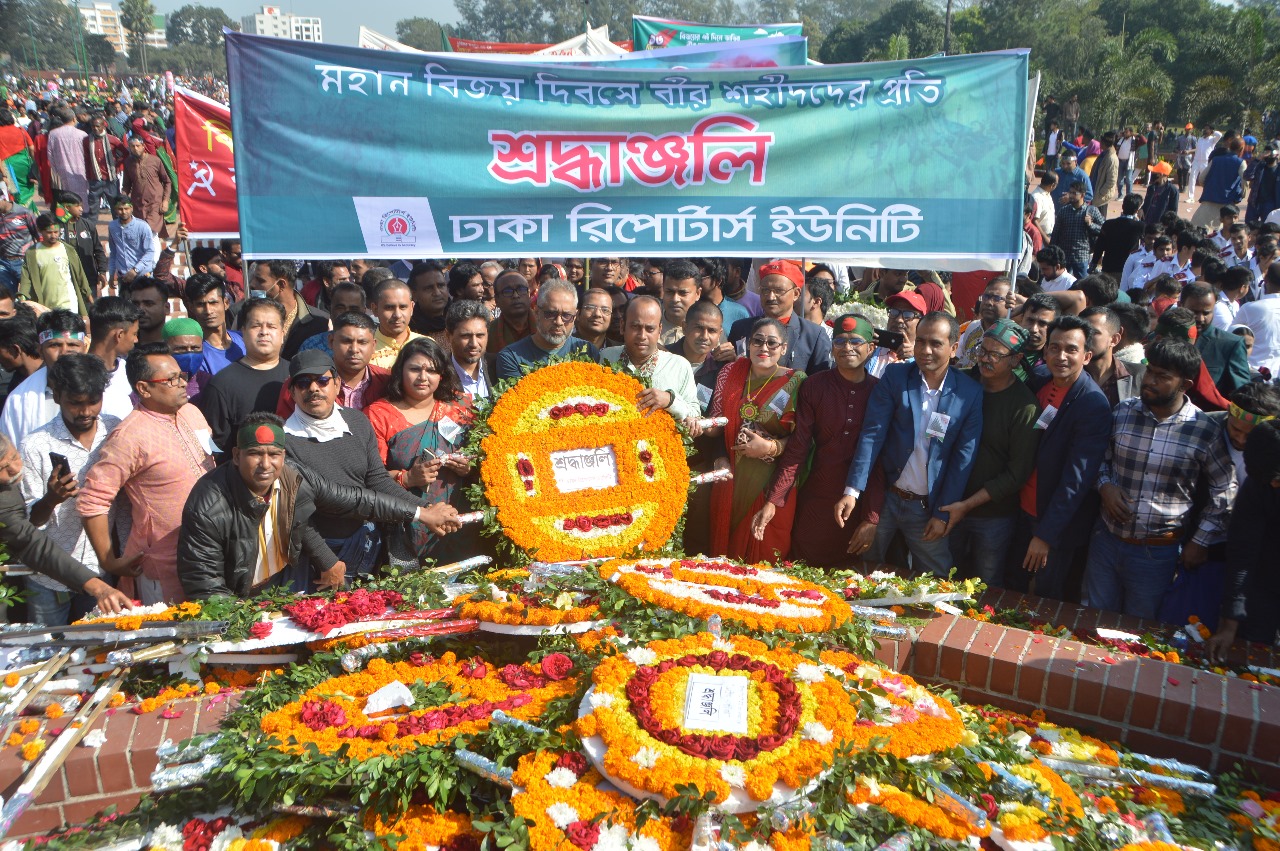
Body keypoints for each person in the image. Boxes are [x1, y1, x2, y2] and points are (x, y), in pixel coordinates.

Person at [178, 413, 460, 598]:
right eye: (255, 454)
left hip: (285, 579)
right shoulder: (208, 504)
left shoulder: (291, 473)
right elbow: (205, 585)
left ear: (284, 455)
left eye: (273, 454)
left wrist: (422, 513)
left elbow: (355, 500)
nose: (266, 465)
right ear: (237, 456)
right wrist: (241, 624)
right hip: (240, 594)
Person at [1086, 338, 1236, 618]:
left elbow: (1225, 491)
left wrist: (1200, 542)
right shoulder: (1123, 412)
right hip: (1106, 541)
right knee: (1093, 618)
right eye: (1150, 370)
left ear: (1185, 385)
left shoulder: (1203, 429)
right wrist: (1105, 486)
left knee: (1140, 630)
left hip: (1157, 553)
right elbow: (1099, 459)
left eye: (1162, 376)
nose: (1149, 380)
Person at [836, 313, 982, 577]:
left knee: (937, 579)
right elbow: (872, 433)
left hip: (927, 507)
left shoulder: (968, 393)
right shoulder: (896, 376)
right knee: (863, 570)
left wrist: (943, 512)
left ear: (953, 346)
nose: (926, 350)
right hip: (886, 498)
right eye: (921, 341)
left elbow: (964, 458)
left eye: (936, 343)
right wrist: (853, 490)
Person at [79, 343, 217, 603]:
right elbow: (92, 500)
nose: (182, 384)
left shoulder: (192, 412)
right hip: (164, 565)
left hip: (210, 555)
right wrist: (109, 560)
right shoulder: (130, 435)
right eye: (172, 379)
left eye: (181, 376)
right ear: (143, 388)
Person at [278, 351, 423, 579]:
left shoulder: (357, 422)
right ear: (292, 393)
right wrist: (326, 562)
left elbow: (377, 480)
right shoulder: (284, 441)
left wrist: (424, 508)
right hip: (315, 558)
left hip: (364, 544)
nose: (314, 388)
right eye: (304, 383)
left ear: (337, 385)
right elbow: (296, 515)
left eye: (322, 380)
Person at [754, 314, 882, 567]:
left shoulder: (880, 391)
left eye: (856, 342)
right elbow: (798, 449)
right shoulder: (815, 386)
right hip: (817, 496)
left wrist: (872, 517)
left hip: (863, 500)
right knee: (805, 569)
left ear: (871, 348)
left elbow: (880, 459)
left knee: (852, 577)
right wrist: (774, 500)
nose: (847, 348)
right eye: (840, 341)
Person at [1006, 316, 1111, 601]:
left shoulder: (1092, 404)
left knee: (1044, 599)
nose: (1061, 356)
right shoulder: (1040, 381)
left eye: (1071, 350)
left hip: (1053, 525)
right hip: (1022, 509)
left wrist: (1045, 535)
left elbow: (1077, 480)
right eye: (1054, 348)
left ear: (1087, 356)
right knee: (1011, 590)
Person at [17, 354, 121, 624]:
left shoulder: (116, 430)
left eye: (92, 402)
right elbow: (28, 525)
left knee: (97, 654)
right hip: (49, 580)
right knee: (49, 655)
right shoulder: (35, 445)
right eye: (76, 404)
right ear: (58, 395)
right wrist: (51, 499)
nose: (85, 412)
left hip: (101, 571)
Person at [940, 319, 1040, 584]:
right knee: (943, 578)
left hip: (993, 516)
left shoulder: (1024, 407)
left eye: (995, 355)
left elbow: (1016, 473)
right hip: (949, 502)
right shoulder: (963, 383)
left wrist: (968, 505)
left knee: (986, 584)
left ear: (1016, 360)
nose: (985, 359)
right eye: (982, 351)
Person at [364, 338, 476, 563]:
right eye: (415, 369)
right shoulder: (379, 415)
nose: (423, 377)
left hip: (458, 521)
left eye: (432, 370)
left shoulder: (459, 407)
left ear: (442, 375)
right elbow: (368, 479)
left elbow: (483, 459)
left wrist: (469, 467)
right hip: (403, 526)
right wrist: (407, 478)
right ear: (400, 372)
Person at [704, 317, 806, 561]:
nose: (764, 348)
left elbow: (803, 441)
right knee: (725, 556)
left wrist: (770, 447)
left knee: (764, 558)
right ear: (748, 345)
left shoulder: (796, 382)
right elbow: (716, 424)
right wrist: (711, 445)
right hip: (732, 477)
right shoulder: (731, 372)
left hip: (771, 483)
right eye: (758, 341)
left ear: (784, 348)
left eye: (772, 343)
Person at [0, 431, 131, 615]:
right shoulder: (5, 496)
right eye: (3, 468)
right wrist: (98, 588)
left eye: (14, 457)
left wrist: (99, 587)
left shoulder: (6, 491)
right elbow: (30, 543)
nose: (15, 468)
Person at [199, 299, 291, 453]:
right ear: (243, 332)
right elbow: (217, 449)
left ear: (282, 334)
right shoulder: (222, 384)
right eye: (256, 326)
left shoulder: (297, 377)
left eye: (271, 326)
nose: (264, 332)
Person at [601, 296, 700, 423]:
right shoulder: (606, 357)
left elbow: (695, 415)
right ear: (622, 326)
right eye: (635, 327)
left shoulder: (679, 366)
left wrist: (670, 401)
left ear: (659, 330)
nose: (642, 336)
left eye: (650, 329)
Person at [726, 260, 832, 375]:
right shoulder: (741, 328)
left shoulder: (813, 335)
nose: (771, 297)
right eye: (765, 290)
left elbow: (820, 382)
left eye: (779, 291)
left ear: (796, 294)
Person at [279, 311, 390, 418]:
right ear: (331, 342)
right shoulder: (301, 384)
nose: (354, 349)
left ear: (374, 345)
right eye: (346, 341)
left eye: (362, 342)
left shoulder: (388, 382)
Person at [1, 310, 87, 446]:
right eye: (55, 345)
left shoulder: (108, 391)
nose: (64, 352)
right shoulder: (18, 400)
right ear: (40, 350)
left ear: (84, 348)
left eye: (72, 345)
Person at [495, 279, 599, 380]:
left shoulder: (587, 351)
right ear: (537, 312)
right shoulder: (511, 357)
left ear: (575, 316)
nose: (558, 322)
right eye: (550, 314)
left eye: (566, 315)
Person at [1179, 283, 1252, 399]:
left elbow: (1242, 393)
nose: (1200, 318)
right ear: (1180, 306)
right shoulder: (1166, 338)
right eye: (1194, 312)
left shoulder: (1230, 344)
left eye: (1206, 312)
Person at [251, 259, 329, 360]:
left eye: (260, 281)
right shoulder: (244, 315)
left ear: (281, 284)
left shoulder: (319, 321)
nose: (252, 284)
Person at [19, 213, 94, 316]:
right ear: (40, 231)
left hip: (69, 303)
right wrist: (23, 295)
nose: (53, 235)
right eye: (49, 232)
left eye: (56, 232)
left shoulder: (68, 250)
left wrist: (89, 295)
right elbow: (26, 279)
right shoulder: (32, 253)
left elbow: (80, 275)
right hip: (45, 306)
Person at [86, 296, 141, 419]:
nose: (136, 340)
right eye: (134, 334)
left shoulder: (131, 372)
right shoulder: (76, 374)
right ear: (119, 335)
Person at [1081, 306, 1146, 408]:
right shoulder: (1069, 375)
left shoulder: (1139, 376)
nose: (1085, 338)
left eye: (1094, 332)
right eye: (1082, 332)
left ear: (1114, 339)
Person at [183, 274, 244, 375]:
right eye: (200, 304)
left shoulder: (244, 339)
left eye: (213, 303)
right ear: (191, 307)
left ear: (226, 303)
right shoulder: (194, 355)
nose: (208, 311)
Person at [297, 283, 368, 356]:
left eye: (353, 309)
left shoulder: (376, 346)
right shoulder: (311, 346)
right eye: (340, 308)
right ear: (330, 309)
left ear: (364, 311)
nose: (346, 313)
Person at [866, 290, 925, 378]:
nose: (899, 320)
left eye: (908, 315)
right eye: (894, 312)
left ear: (921, 322)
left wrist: (915, 358)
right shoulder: (872, 349)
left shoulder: (925, 357)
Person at [121, 135, 170, 239]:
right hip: (138, 204)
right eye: (132, 146)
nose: (135, 149)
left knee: (152, 232)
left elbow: (167, 182)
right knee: (141, 232)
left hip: (155, 203)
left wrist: (165, 201)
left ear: (143, 146)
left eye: (137, 146)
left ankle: (153, 254)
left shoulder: (155, 161)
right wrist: (123, 198)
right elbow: (126, 185)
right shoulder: (128, 163)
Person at [956, 277, 1012, 368]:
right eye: (986, 297)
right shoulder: (973, 326)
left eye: (997, 298)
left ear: (1011, 302)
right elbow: (964, 360)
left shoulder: (1010, 334)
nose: (989, 302)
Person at [1053, 181, 1104, 279]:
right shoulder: (1064, 211)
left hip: (1081, 256)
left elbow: (1104, 229)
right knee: (1062, 282)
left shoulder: (1091, 210)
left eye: (1074, 193)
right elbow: (1056, 233)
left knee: (1082, 284)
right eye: (1070, 192)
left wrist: (1091, 225)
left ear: (1083, 195)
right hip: (1065, 255)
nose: (1071, 196)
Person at [56, 192, 105, 290]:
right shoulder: (55, 227)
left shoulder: (88, 225)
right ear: (67, 207)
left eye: (81, 206)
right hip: (63, 277)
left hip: (88, 276)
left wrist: (102, 271)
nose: (81, 209)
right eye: (77, 206)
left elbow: (98, 249)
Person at [82, 114, 124, 219]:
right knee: (92, 211)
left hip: (111, 180)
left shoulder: (112, 140)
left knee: (116, 209)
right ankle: (91, 233)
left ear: (103, 126)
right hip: (95, 180)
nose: (95, 129)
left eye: (98, 126)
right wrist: (88, 177)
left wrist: (117, 164)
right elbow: (87, 159)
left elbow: (125, 153)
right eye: (93, 126)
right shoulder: (87, 141)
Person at [106, 198, 155, 289]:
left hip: (142, 275)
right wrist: (112, 273)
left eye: (126, 208)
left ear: (131, 208)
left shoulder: (142, 226)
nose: (124, 212)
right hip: (123, 276)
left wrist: (135, 270)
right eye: (120, 209)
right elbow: (114, 252)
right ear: (115, 210)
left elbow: (150, 252)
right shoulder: (112, 226)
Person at [46, 107, 88, 212]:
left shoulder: (53, 134)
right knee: (82, 199)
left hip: (62, 171)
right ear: (74, 119)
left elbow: (50, 155)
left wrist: (56, 170)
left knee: (66, 197)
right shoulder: (82, 135)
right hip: (81, 171)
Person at [692, 257, 749, 331]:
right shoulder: (689, 308)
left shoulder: (739, 313)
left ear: (718, 280)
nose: (695, 281)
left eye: (700, 277)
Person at [1093, 194, 1145, 275]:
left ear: (1123, 206)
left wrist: (1094, 262)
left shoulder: (1108, 224)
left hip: (1108, 268)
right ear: (1137, 210)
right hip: (1127, 270)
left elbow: (1099, 245)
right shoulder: (1139, 226)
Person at [0, 191, 38, 291]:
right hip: (4, 263)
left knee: (30, 294)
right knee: (6, 295)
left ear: (3, 198)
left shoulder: (24, 212)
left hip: (24, 262)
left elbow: (39, 235)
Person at [660, 261, 704, 345]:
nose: (675, 299)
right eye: (670, 292)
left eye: (683, 293)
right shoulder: (649, 324)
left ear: (698, 293)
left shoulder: (709, 327)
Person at [408, 261, 450, 346]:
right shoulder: (407, 329)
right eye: (429, 288)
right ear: (414, 294)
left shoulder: (460, 320)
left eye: (441, 285)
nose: (437, 293)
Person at [1016, 292, 1062, 369]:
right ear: (1021, 318)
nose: (1034, 329)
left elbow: (1077, 299)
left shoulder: (1055, 360)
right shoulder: (1004, 347)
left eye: (1042, 323)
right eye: (1030, 320)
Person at [1090, 132, 1119, 217]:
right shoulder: (1103, 154)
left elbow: (1111, 181)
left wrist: (1101, 193)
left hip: (1101, 198)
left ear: (1104, 143)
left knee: (1100, 221)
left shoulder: (1112, 158)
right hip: (1096, 192)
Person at [1143, 162, 1179, 227]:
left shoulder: (1173, 190)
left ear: (1161, 174)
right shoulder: (1151, 188)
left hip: (1161, 225)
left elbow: (1173, 211)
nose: (1152, 174)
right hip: (1148, 222)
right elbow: (1146, 203)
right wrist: (1141, 210)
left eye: (1154, 172)